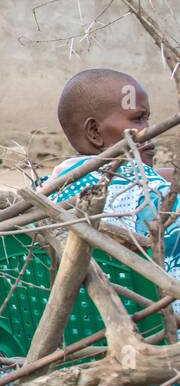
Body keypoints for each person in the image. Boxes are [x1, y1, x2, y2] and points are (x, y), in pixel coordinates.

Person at [48, 68, 178, 275]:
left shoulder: (51, 186)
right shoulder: (147, 194)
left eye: (148, 119)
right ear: (95, 132)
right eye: (138, 119)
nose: (150, 130)